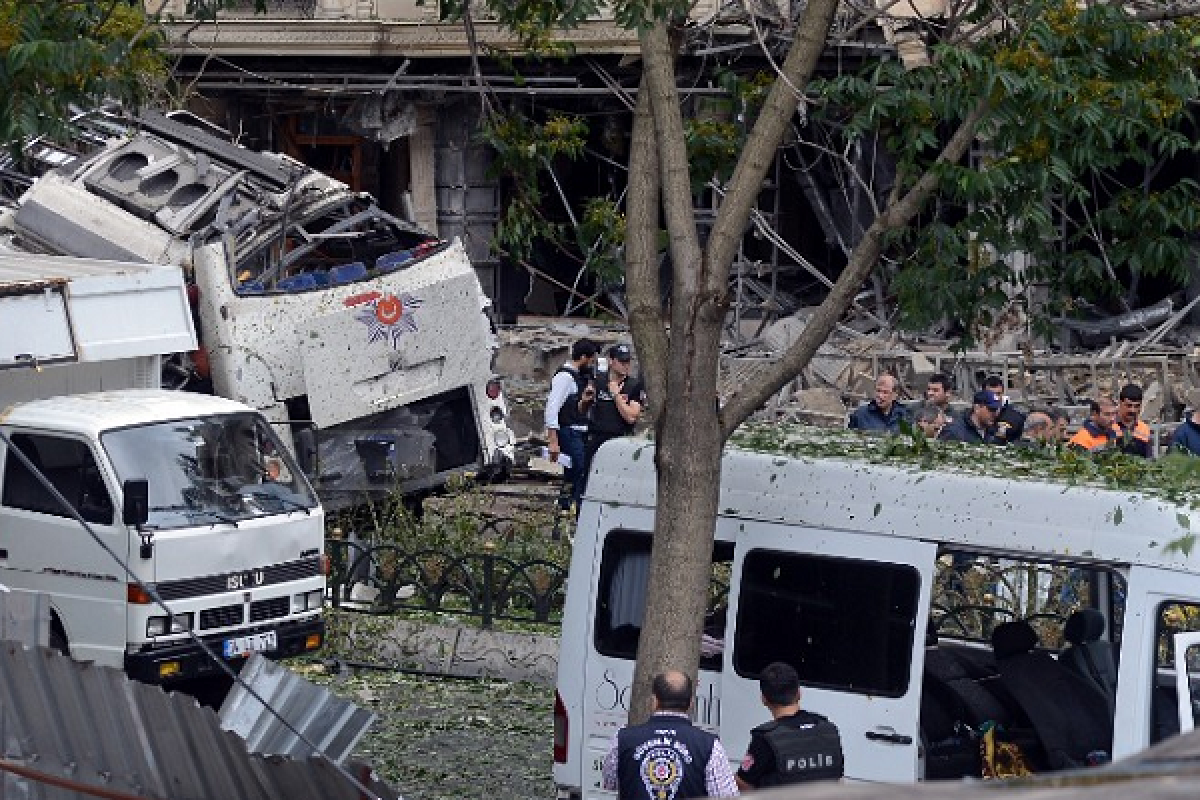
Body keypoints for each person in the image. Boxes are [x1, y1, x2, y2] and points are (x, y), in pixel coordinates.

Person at [601, 670, 739, 799]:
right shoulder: (710, 746)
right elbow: (727, 796)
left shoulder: (622, 738)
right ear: (691, 703)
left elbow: (609, 783)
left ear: (654, 701)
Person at [735, 662, 844, 791]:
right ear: (799, 693)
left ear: (764, 699)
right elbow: (838, 779)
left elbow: (743, 783)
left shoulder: (764, 739)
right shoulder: (829, 730)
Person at [544, 338, 598, 510]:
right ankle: (565, 509)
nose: (592, 364)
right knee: (577, 470)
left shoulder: (580, 378)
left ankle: (571, 510)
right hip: (569, 432)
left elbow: (578, 410)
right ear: (583, 357)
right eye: (591, 360)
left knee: (579, 473)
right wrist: (553, 440)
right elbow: (552, 408)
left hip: (579, 431)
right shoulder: (565, 377)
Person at [585, 343, 646, 473]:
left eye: (628, 362)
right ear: (611, 361)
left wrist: (616, 395)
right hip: (597, 437)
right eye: (622, 361)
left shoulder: (634, 385)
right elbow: (582, 409)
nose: (626, 365)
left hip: (620, 438)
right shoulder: (599, 380)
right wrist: (585, 400)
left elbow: (631, 417)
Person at [982, 375, 1026, 444]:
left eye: (998, 394)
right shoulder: (977, 415)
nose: (996, 398)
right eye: (991, 395)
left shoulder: (1015, 417)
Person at [1115, 384, 1153, 459]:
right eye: (1129, 405)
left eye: (1137, 406)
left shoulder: (1144, 429)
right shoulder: (1109, 426)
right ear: (1120, 402)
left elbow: (1148, 458)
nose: (1133, 410)